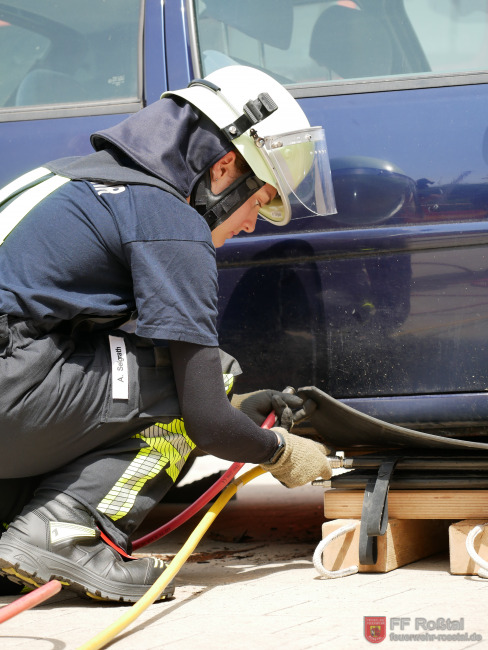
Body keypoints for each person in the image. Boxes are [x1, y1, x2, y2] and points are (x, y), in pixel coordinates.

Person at [0, 65, 336, 602]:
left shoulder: (66, 179)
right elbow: (204, 420)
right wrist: (279, 450)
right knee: (211, 374)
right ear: (224, 167)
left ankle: (16, 537)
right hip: (11, 387)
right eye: (258, 200)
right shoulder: (168, 220)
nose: (253, 223)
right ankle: (68, 533)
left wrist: (235, 410)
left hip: (15, 379)